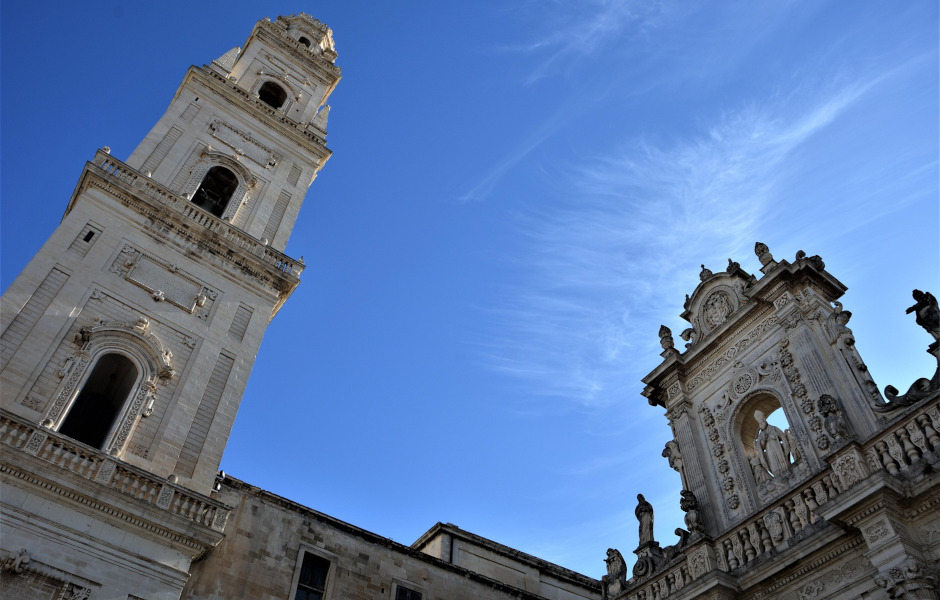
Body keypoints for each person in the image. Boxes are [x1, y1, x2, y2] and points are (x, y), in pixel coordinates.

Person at [754, 410, 791, 476]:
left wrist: (774, 436)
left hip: (777, 446)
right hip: (769, 450)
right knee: (773, 462)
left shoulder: (774, 428)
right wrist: (764, 440)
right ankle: (777, 473)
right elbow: (760, 447)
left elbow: (782, 436)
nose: (761, 425)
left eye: (762, 423)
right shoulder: (761, 436)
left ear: (765, 421)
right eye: (760, 424)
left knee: (781, 458)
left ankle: (786, 468)